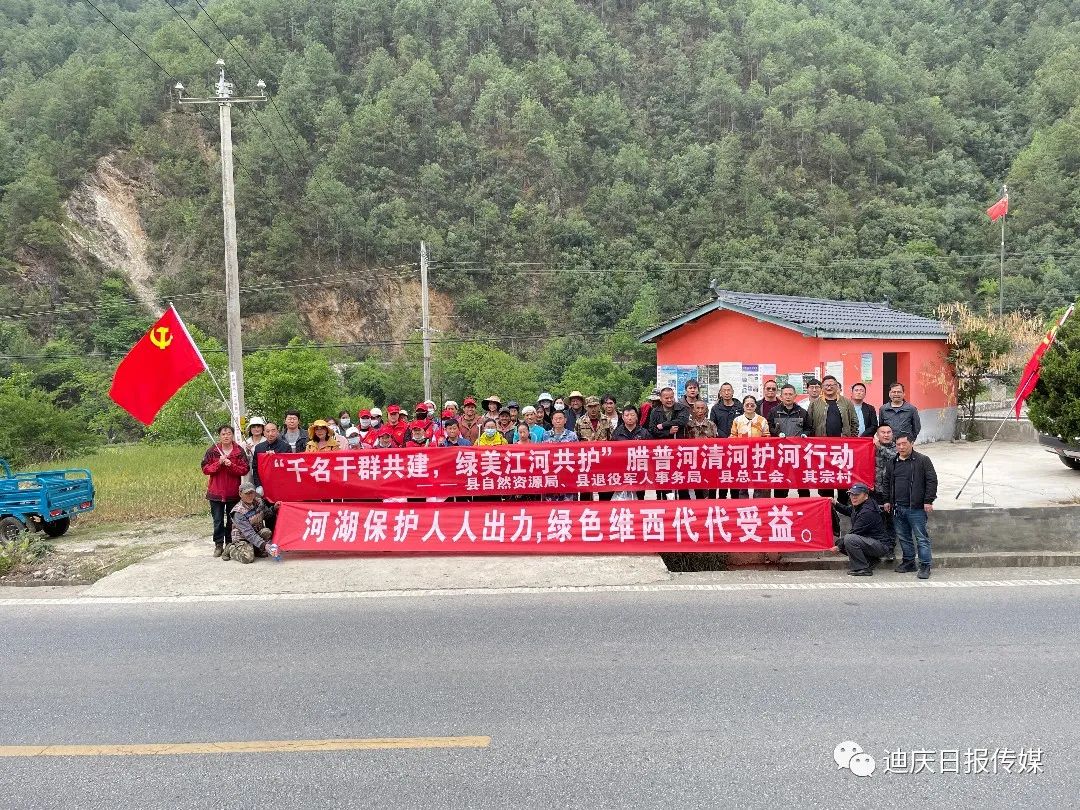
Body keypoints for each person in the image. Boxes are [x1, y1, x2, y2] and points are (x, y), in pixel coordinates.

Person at [887, 433, 937, 579]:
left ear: (912, 443)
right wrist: (887, 500)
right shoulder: (892, 462)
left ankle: (925, 565)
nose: (901, 447)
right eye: (898, 444)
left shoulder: (922, 460)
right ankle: (909, 562)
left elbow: (932, 481)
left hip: (916, 508)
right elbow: (887, 482)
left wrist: (928, 500)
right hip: (897, 507)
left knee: (921, 538)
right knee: (903, 537)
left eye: (904, 444)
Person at [201, 425, 250, 557]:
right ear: (220, 436)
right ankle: (218, 545)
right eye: (223, 434)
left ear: (232, 435)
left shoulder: (238, 451)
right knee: (217, 521)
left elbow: (245, 469)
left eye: (229, 433)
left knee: (231, 521)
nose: (226, 436)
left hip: (232, 493)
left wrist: (231, 465)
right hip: (215, 492)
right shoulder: (212, 451)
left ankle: (229, 544)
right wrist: (219, 463)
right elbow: (205, 469)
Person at [831, 483, 891, 576]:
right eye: (851, 494)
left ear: (866, 496)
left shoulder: (867, 511)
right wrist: (835, 503)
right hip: (869, 542)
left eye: (857, 495)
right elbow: (848, 510)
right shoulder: (860, 505)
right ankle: (870, 560)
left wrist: (838, 547)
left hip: (880, 545)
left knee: (849, 539)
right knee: (841, 542)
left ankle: (863, 568)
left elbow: (854, 532)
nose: (853, 497)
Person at [768, 385, 811, 498]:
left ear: (795, 396)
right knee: (780, 480)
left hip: (798, 453)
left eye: (790, 394)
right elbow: (769, 428)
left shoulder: (802, 412)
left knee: (802, 481)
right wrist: (777, 433)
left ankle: (805, 503)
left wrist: (805, 434)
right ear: (781, 396)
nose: (788, 397)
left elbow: (809, 428)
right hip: (780, 453)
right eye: (785, 394)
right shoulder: (774, 411)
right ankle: (780, 503)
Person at [647, 387, 689, 500]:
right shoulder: (655, 411)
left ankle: (684, 503)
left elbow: (682, 421)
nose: (669, 400)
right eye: (666, 398)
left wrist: (663, 425)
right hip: (663, 451)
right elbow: (652, 429)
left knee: (681, 478)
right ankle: (665, 503)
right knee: (664, 479)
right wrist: (667, 432)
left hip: (679, 450)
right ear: (661, 399)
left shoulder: (682, 408)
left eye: (671, 397)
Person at [222, 483, 274, 564]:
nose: (250, 495)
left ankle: (256, 550)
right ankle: (231, 548)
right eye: (247, 493)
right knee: (248, 558)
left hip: (256, 533)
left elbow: (267, 514)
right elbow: (249, 533)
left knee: (266, 532)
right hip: (242, 538)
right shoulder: (238, 511)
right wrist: (265, 545)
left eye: (252, 492)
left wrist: (274, 508)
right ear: (240, 494)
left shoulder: (259, 502)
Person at [730, 395, 770, 497]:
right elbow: (733, 436)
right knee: (742, 482)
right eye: (747, 404)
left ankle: (758, 503)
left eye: (752, 405)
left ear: (755, 406)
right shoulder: (737, 420)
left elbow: (766, 437)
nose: (749, 407)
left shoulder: (762, 420)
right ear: (743, 406)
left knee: (758, 481)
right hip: (741, 456)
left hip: (758, 455)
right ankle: (743, 503)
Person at [612, 405, 651, 500]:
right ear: (622, 417)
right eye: (627, 415)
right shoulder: (617, 433)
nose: (629, 418)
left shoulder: (644, 432)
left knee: (640, 496)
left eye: (632, 415)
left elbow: (650, 450)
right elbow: (612, 451)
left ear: (637, 417)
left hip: (639, 469)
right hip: (621, 470)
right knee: (622, 497)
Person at [871, 424, 897, 552]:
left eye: (888, 432)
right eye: (883, 432)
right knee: (876, 520)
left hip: (890, 491)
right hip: (874, 490)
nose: (886, 435)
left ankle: (890, 548)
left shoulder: (897, 447)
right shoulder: (870, 447)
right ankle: (877, 547)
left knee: (890, 520)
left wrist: (879, 447)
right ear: (877, 434)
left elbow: (893, 457)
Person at [542, 410, 578, 501]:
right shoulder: (545, 435)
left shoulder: (572, 436)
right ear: (552, 421)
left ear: (565, 420)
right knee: (551, 503)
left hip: (567, 473)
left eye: (560, 418)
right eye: (555, 419)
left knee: (568, 503)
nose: (558, 421)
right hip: (551, 473)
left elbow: (577, 454)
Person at [687, 400, 718, 500]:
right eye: (698, 408)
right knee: (698, 483)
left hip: (709, 458)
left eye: (702, 408)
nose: (700, 411)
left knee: (712, 483)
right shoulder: (688, 425)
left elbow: (716, 441)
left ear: (706, 410)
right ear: (693, 410)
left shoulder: (711, 424)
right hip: (695, 459)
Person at [251, 421, 289, 494]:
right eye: (267, 431)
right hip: (264, 484)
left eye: (273, 431)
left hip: (281, 485)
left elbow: (288, 467)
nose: (270, 434)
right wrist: (258, 485)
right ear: (264, 433)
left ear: (277, 432)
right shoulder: (259, 447)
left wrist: (275, 458)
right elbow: (255, 468)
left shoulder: (285, 447)